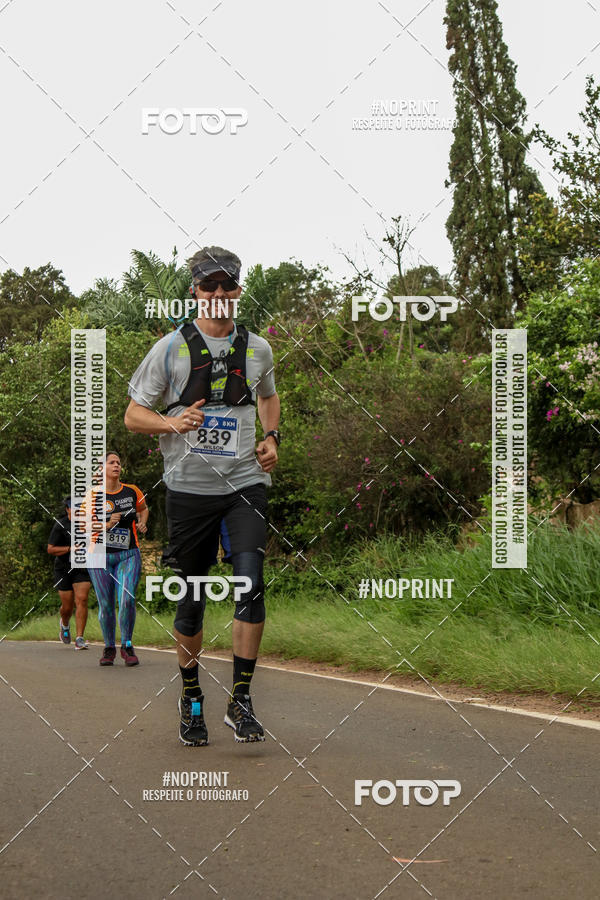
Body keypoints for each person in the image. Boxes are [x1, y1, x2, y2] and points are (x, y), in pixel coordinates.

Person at [125, 245, 280, 746]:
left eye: (226, 286)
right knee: (191, 599)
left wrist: (272, 438)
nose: (218, 294)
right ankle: (191, 697)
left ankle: (241, 699)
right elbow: (133, 415)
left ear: (237, 290)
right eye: (208, 286)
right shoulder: (169, 349)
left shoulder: (258, 349)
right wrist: (171, 421)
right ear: (194, 291)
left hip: (245, 484)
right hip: (189, 490)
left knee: (250, 584)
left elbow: (269, 397)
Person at [82, 451, 149, 667]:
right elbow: (83, 526)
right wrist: (106, 525)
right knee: (106, 605)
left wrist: (142, 522)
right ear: (102, 469)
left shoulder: (131, 491)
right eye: (111, 462)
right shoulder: (92, 496)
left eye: (118, 462)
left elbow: (144, 508)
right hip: (99, 556)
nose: (116, 465)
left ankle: (127, 645)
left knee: (127, 599)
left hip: (128, 554)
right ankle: (109, 647)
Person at [47, 496, 92, 650]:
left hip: (82, 567)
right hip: (63, 568)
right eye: (75, 509)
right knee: (67, 607)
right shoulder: (60, 525)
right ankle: (64, 624)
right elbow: (50, 549)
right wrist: (69, 549)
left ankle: (80, 638)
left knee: (82, 599)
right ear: (67, 509)